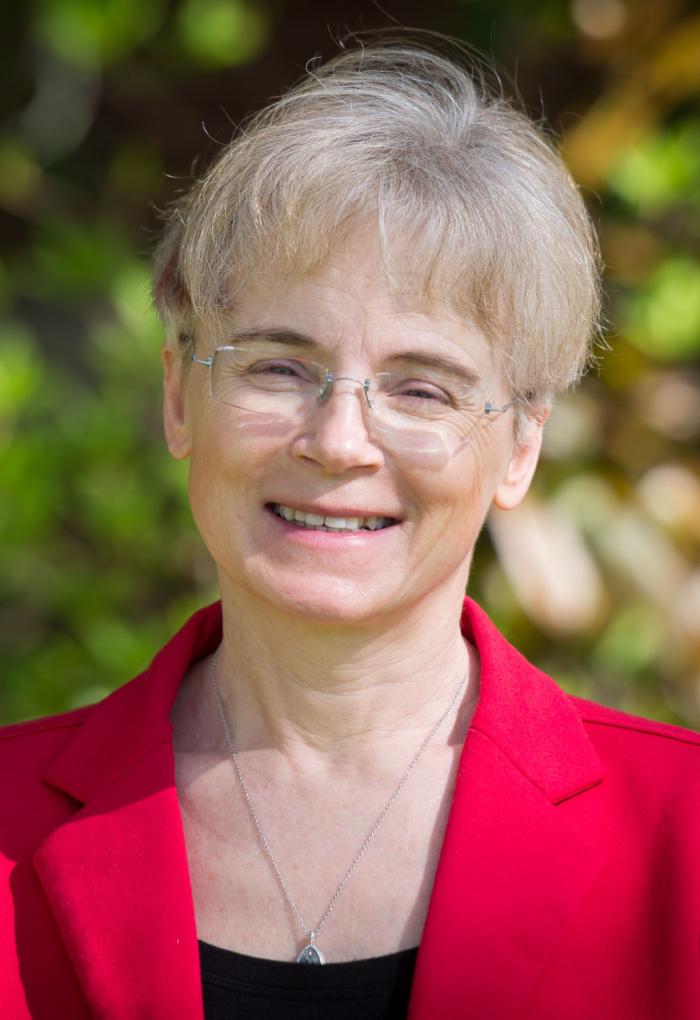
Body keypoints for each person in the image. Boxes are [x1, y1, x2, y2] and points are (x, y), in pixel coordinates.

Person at [2, 31, 699, 1020]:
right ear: (178, 398)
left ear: (520, 447)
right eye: (278, 367)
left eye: (422, 388)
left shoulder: (683, 836)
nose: (338, 442)